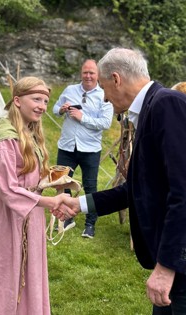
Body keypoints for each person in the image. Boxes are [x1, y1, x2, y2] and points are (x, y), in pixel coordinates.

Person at [61, 48, 186, 314]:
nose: (103, 97)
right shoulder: (154, 108)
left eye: (102, 87)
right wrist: (80, 204)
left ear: (116, 79)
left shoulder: (168, 105)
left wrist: (167, 266)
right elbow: (138, 187)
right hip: (185, 259)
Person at [0, 76, 71, 315]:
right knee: (8, 273)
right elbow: (8, 189)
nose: (42, 106)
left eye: (45, 100)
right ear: (17, 100)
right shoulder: (5, 138)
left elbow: (31, 176)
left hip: (32, 216)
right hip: (10, 218)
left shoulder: (29, 133)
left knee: (31, 272)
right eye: (36, 99)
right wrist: (48, 201)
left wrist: (55, 183)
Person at [52, 59, 114, 238]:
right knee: (62, 183)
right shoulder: (70, 90)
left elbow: (105, 123)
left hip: (90, 149)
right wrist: (62, 110)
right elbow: (55, 108)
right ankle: (66, 218)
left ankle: (90, 225)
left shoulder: (104, 95)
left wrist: (82, 117)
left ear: (98, 75)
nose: (88, 76)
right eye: (85, 72)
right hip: (67, 146)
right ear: (81, 73)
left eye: (92, 73)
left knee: (90, 187)